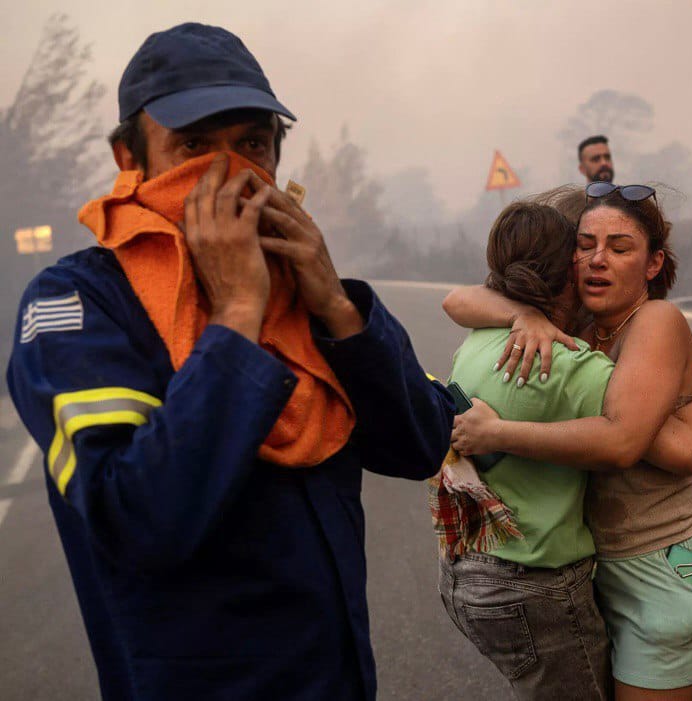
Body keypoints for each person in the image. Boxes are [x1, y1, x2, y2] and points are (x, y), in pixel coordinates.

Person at [5, 23, 453, 701]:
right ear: (130, 155)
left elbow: (420, 443)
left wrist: (336, 305)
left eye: (251, 143)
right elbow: (139, 521)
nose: (227, 173)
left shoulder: (299, 288)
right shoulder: (78, 301)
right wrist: (237, 314)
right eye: (192, 147)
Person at [450, 183, 692, 701]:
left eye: (620, 249)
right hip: (593, 569)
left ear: (652, 264)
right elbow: (457, 299)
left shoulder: (656, 321)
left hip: (660, 562)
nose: (598, 260)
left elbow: (637, 444)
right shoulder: (578, 322)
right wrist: (523, 314)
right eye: (585, 245)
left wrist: (500, 433)